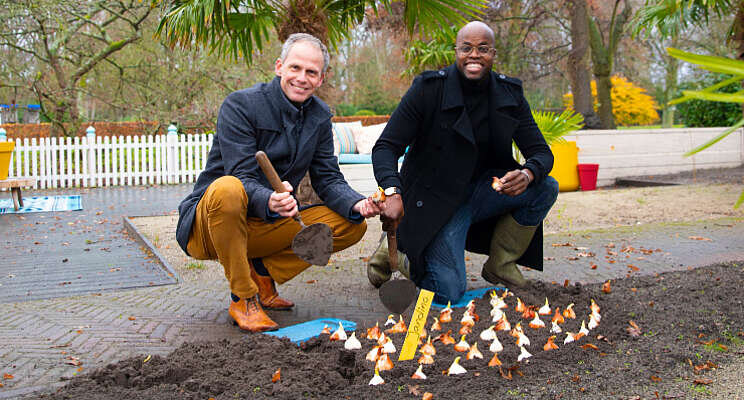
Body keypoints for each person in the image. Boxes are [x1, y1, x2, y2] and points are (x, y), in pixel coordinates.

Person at [176, 33, 381, 332]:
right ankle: (243, 298)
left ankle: (262, 275)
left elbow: (328, 177)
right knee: (228, 187)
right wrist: (268, 199)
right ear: (279, 67)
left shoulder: (320, 118)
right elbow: (241, 173)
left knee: (350, 224)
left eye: (311, 72)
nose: (302, 78)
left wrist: (357, 202)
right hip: (210, 226)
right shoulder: (240, 105)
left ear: (321, 79)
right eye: (295, 68)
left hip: (262, 226)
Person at [368, 21, 559, 305]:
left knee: (546, 187)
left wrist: (529, 173)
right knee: (447, 292)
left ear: (493, 53)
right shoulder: (429, 89)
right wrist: (393, 192)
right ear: (455, 51)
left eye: (483, 48)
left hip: (486, 192)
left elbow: (542, 153)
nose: (474, 55)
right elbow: (386, 147)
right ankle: (398, 251)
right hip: (435, 201)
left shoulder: (510, 94)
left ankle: (501, 263)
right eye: (466, 48)